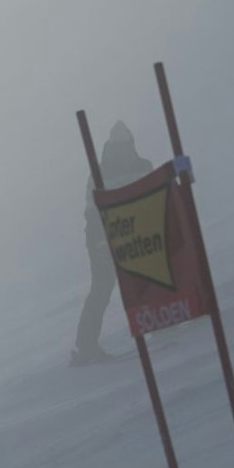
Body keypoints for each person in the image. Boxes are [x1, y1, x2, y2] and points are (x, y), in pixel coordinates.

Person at [73, 120, 154, 366]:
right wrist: (99, 240)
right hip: (107, 238)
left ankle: (161, 318)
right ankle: (86, 345)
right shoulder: (103, 172)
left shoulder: (138, 166)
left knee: (138, 281)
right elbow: (92, 209)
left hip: (132, 235)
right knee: (103, 287)